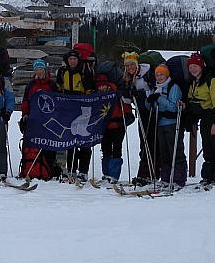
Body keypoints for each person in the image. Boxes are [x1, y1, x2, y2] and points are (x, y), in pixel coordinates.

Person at [183, 53, 215, 188]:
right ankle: (208, 178)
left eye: (195, 66)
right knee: (208, 150)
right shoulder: (194, 83)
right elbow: (193, 101)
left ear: (201, 66)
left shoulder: (212, 81)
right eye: (190, 66)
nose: (193, 69)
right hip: (204, 119)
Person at [55, 49, 94, 182]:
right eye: (70, 59)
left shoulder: (85, 71)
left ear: (78, 60)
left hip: (82, 107)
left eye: (75, 59)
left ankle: (83, 171)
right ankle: (71, 169)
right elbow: (58, 88)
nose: (72, 61)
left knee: (84, 140)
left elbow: (89, 89)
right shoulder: (62, 72)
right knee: (70, 139)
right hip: (68, 108)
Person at [122, 51, 159, 186]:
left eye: (132, 65)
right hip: (142, 112)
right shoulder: (127, 78)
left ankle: (151, 173)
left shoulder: (147, 73)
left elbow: (157, 89)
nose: (130, 68)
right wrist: (127, 93)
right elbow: (126, 100)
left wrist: (143, 94)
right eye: (127, 66)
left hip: (153, 112)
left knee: (151, 142)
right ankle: (144, 173)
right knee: (144, 143)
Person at [148, 64, 187, 188]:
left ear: (167, 75)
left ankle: (178, 179)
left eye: (161, 74)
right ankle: (165, 177)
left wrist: (159, 98)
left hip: (172, 123)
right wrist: (149, 100)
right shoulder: (156, 88)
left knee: (175, 151)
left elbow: (173, 106)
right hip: (160, 124)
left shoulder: (173, 87)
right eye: (157, 75)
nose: (159, 77)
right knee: (164, 152)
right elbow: (151, 107)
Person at [19, 58, 58, 180]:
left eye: (41, 69)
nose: (39, 71)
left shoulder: (51, 84)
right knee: (32, 144)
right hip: (33, 119)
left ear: (45, 70)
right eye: (36, 69)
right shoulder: (31, 84)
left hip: (48, 120)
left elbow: (57, 100)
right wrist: (25, 114)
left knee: (49, 145)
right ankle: (30, 168)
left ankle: (48, 169)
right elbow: (26, 100)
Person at [95, 74, 132, 184]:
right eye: (99, 86)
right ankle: (106, 174)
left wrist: (125, 119)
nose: (101, 88)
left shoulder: (116, 95)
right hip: (105, 127)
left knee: (116, 148)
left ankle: (114, 175)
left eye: (103, 86)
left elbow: (127, 109)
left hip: (118, 126)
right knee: (105, 148)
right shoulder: (98, 96)